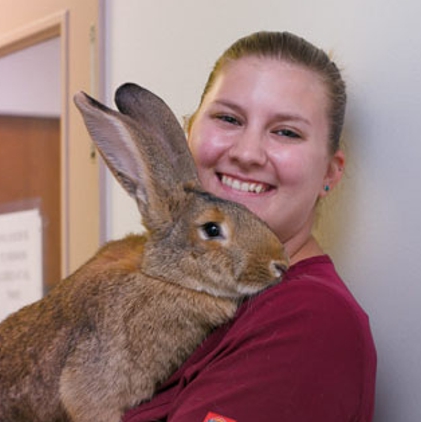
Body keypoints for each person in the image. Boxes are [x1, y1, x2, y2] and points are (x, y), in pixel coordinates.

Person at [122, 31, 376, 422]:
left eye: (286, 132)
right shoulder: (183, 291)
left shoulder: (308, 321)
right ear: (187, 133)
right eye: (228, 118)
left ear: (330, 171)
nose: (246, 153)